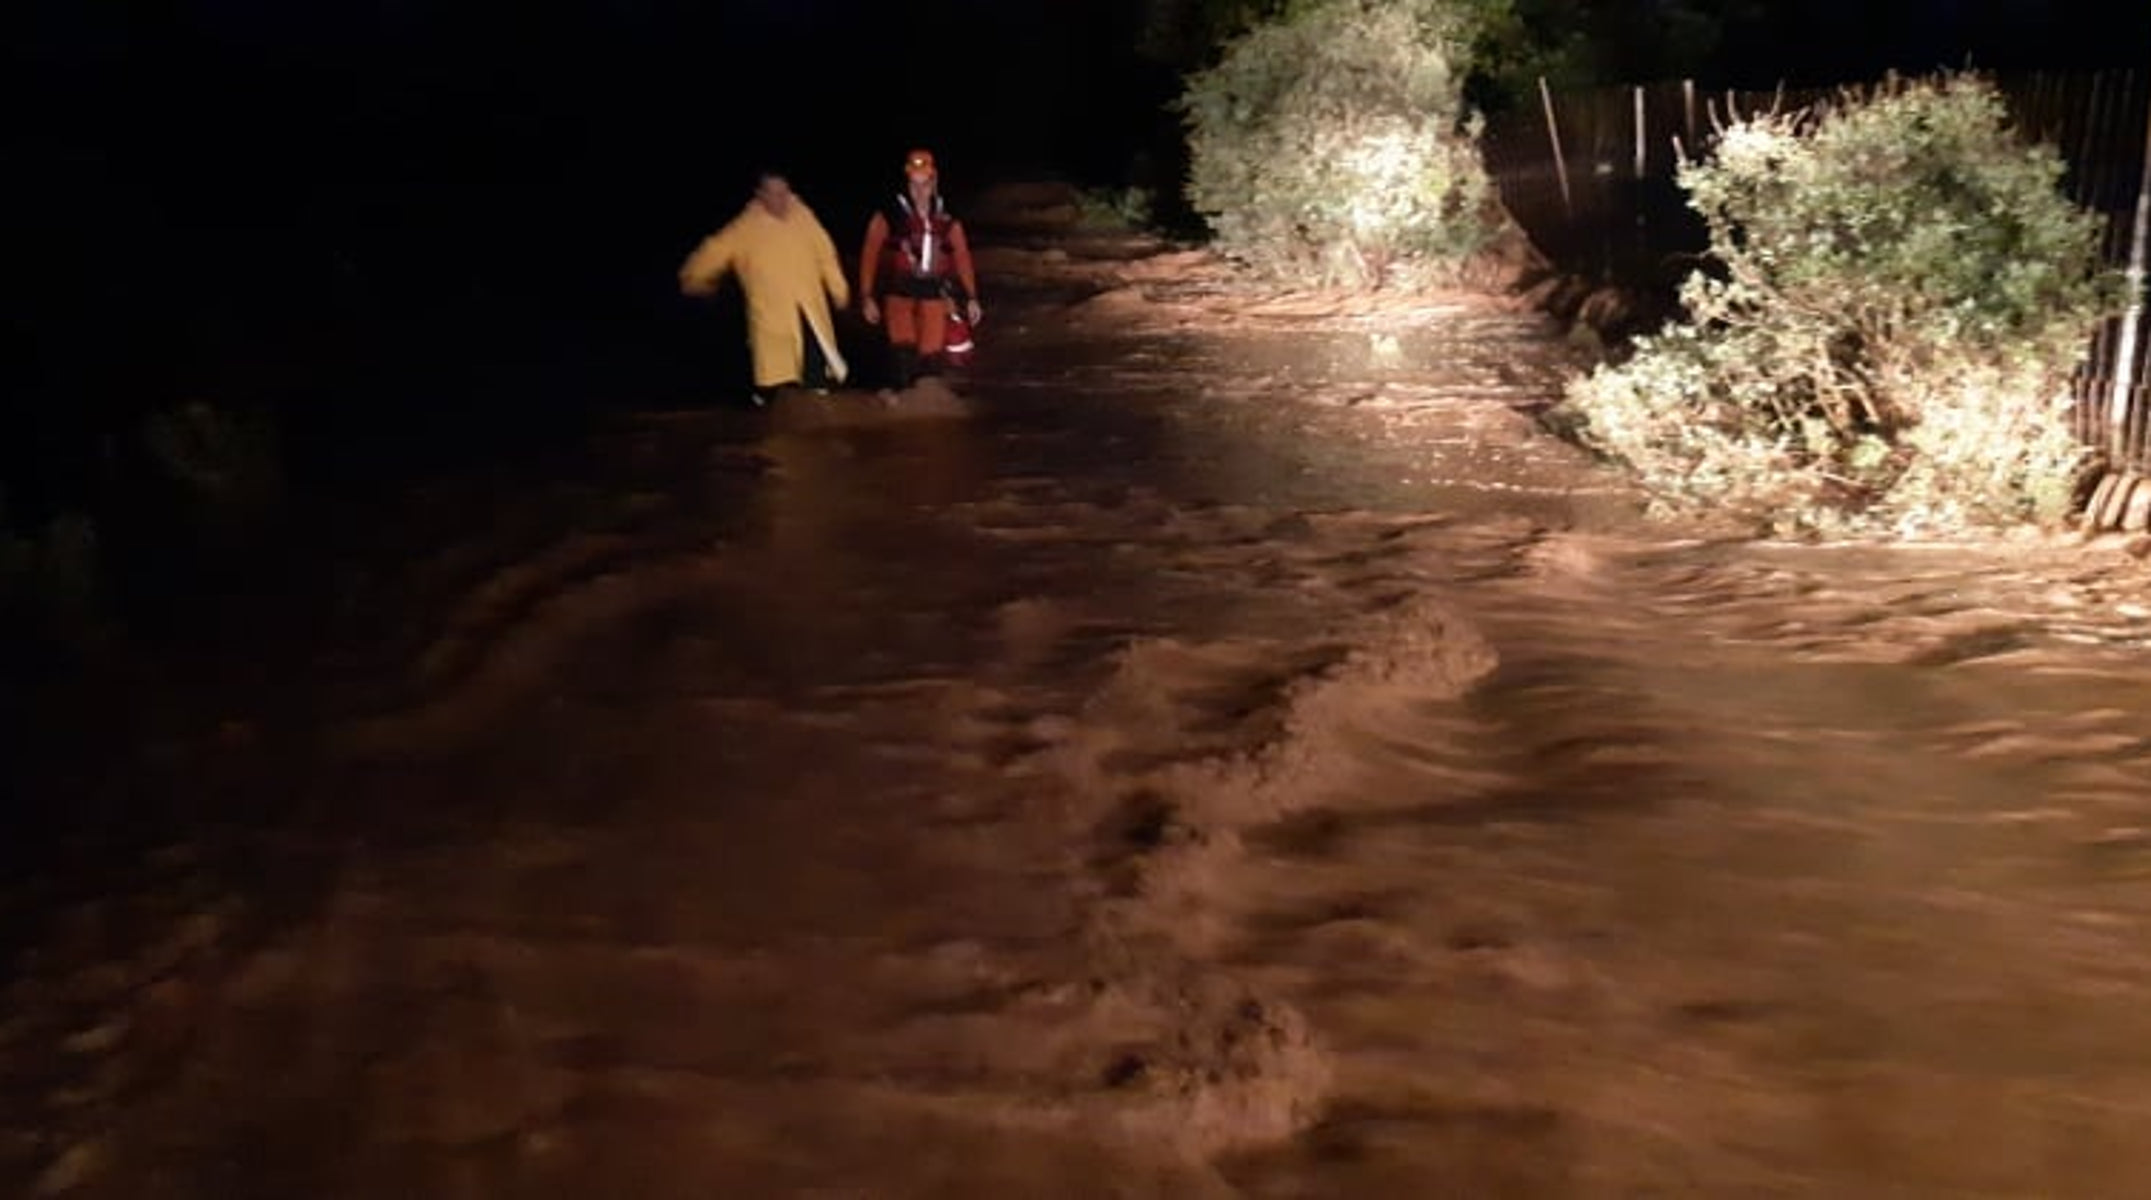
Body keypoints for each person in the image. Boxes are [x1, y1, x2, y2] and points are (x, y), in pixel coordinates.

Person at [678, 170, 850, 405]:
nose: (780, 200)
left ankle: (818, 427)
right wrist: (694, 277)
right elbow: (715, 251)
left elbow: (826, 255)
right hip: (771, 319)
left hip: (809, 314)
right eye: (773, 194)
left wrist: (839, 289)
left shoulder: (804, 218)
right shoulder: (746, 227)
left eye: (784, 193)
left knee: (817, 381)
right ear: (760, 195)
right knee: (774, 383)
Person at [858, 148, 983, 389]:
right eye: (914, 184)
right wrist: (866, 296)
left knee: (931, 358)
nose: (919, 192)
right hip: (899, 292)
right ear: (907, 182)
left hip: (933, 293)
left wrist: (971, 297)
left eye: (924, 184)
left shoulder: (947, 217)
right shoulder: (888, 215)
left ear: (934, 181)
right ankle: (899, 406)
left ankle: (927, 411)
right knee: (901, 356)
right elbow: (870, 253)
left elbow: (962, 257)